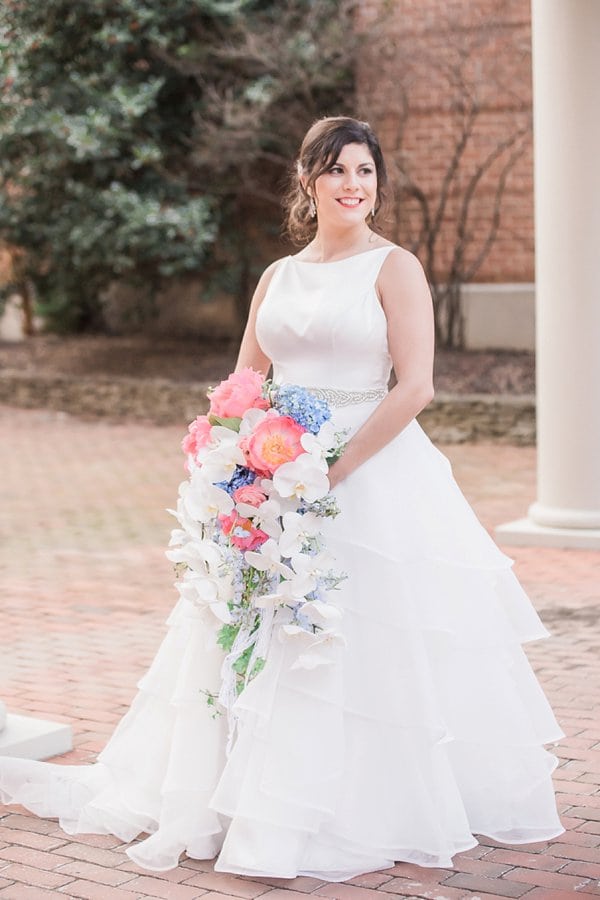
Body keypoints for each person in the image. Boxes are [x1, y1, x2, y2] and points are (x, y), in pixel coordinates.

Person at [0, 116, 564, 880]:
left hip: (369, 473)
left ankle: (349, 808)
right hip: (270, 475)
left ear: (378, 184)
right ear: (307, 181)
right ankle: (237, 798)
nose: (353, 185)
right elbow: (244, 385)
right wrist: (228, 455)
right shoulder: (278, 275)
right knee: (256, 626)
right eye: (337, 171)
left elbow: (417, 386)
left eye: (365, 172)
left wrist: (333, 470)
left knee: (347, 633)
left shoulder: (393, 268)